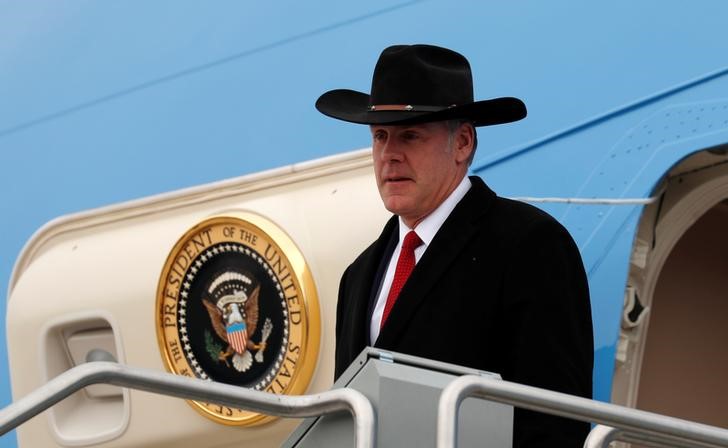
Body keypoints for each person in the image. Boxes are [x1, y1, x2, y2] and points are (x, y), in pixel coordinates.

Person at [316, 44, 593, 447]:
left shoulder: (531, 245)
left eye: (409, 135)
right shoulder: (357, 275)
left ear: (463, 142)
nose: (389, 155)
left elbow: (555, 422)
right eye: (380, 136)